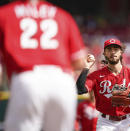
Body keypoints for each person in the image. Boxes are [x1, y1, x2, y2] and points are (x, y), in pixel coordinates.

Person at [0, 0, 86, 130]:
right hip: (62, 81)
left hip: (28, 78)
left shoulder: (5, 13)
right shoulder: (61, 14)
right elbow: (80, 61)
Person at [76, 38, 130, 131]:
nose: (112, 52)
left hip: (127, 121)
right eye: (109, 49)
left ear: (121, 52)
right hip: (105, 122)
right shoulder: (96, 75)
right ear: (104, 53)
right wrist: (86, 67)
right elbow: (80, 89)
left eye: (115, 49)